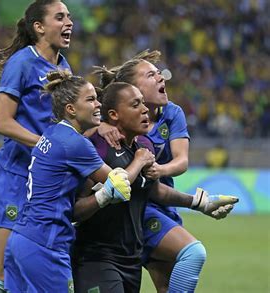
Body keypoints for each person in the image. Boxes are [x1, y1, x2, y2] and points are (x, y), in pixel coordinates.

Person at [71, 81, 238, 292]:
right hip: (96, 258)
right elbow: (75, 210)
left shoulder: (144, 147)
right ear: (114, 115)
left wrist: (200, 202)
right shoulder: (98, 147)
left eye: (143, 103)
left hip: (131, 259)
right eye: (135, 105)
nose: (144, 110)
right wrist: (109, 190)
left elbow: (155, 191)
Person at [94, 49, 224, 292]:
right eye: (151, 75)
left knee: (166, 286)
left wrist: (160, 169)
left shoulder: (171, 113)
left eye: (159, 73)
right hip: (137, 210)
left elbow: (181, 161)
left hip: (162, 202)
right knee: (193, 253)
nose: (161, 77)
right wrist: (100, 124)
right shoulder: (112, 123)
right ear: (133, 89)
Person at [4, 69, 132, 292]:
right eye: (91, 99)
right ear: (71, 109)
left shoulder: (52, 133)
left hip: (22, 237)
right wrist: (139, 160)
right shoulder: (75, 144)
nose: (98, 104)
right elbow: (120, 184)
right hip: (46, 243)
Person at [0, 1, 74, 291]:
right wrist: (47, 146)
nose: (69, 22)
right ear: (39, 27)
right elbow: (2, 123)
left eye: (69, 17)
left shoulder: (63, 67)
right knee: (2, 274)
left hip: (43, 181)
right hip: (14, 178)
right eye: (60, 17)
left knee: (24, 274)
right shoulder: (22, 62)